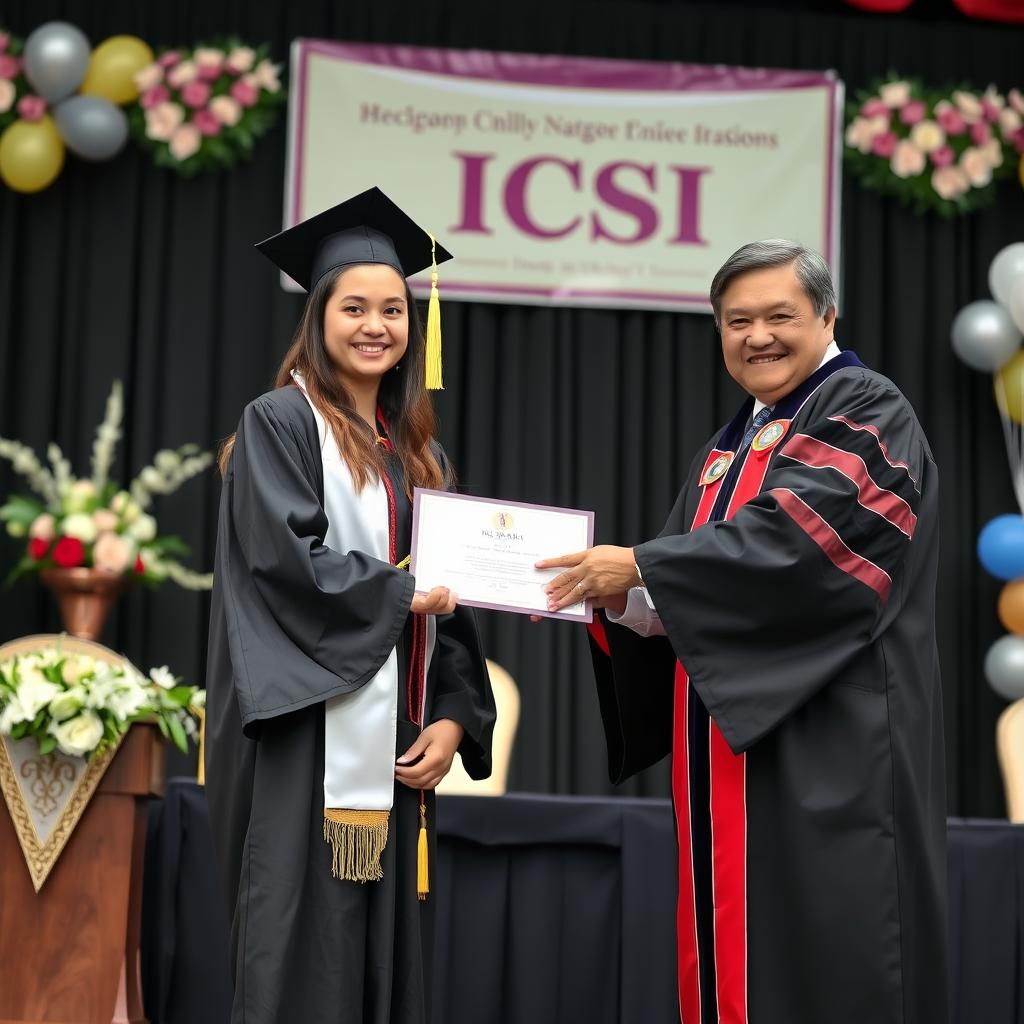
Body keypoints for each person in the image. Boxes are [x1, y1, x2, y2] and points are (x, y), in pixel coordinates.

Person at [538, 241, 947, 1024]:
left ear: (827, 316)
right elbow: (689, 594)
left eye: (778, 316)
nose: (757, 336)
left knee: (829, 968)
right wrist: (614, 597)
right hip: (730, 754)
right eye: (737, 322)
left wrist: (640, 565)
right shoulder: (727, 449)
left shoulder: (865, 407)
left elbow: (800, 546)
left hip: (832, 751)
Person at [205, 187, 495, 1024]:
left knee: (380, 963)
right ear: (319, 317)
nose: (377, 324)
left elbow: (451, 609)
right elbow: (284, 565)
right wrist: (404, 592)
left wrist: (452, 716)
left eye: (395, 309)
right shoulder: (280, 424)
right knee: (301, 951)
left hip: (394, 749)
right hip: (301, 735)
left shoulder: (416, 454)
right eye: (355, 306)